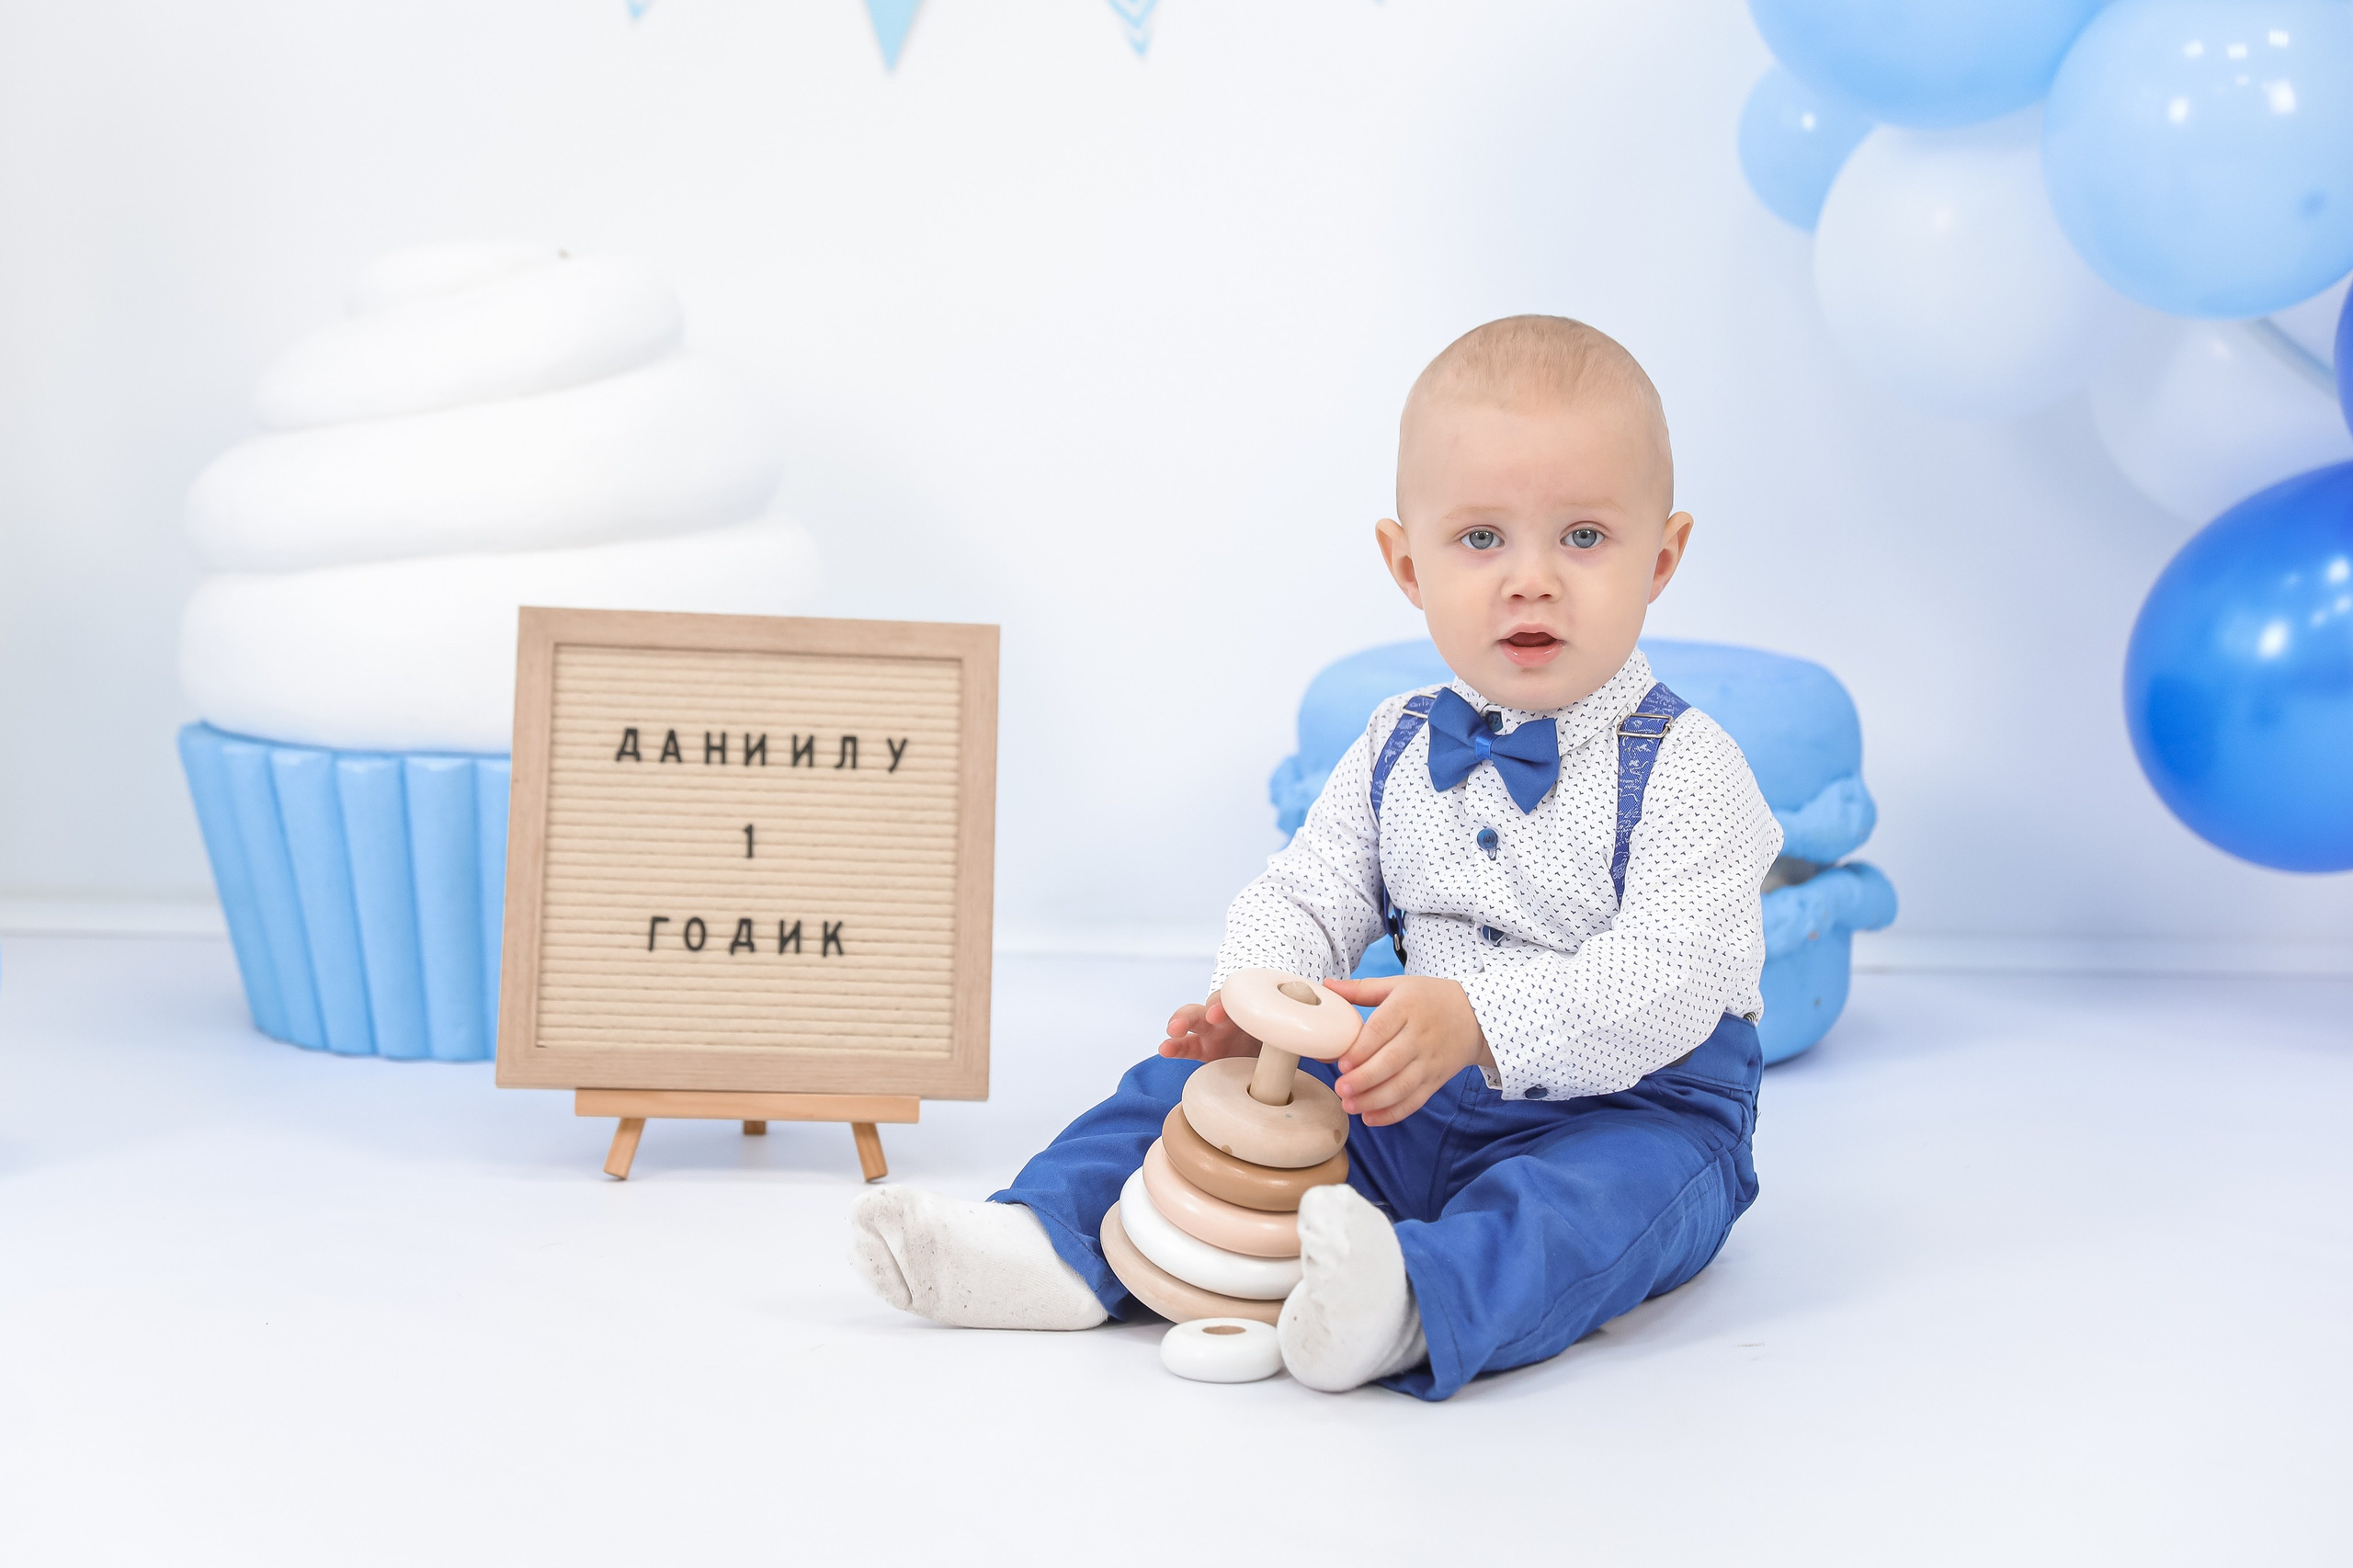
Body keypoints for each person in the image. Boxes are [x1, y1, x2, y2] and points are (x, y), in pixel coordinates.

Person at [850, 315, 1781, 1399]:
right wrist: (1258, 991)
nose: (1530, 579)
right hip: (1409, 1084)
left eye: (1582, 537)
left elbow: (1670, 975)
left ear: (1660, 558)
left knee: (1588, 1207)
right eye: (1482, 539)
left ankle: (1408, 1307)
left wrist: (1481, 1021)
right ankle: (1054, 1238)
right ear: (1406, 562)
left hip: (1632, 1101)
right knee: (1181, 1089)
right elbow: (1314, 880)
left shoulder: (1689, 768)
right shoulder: (1395, 739)